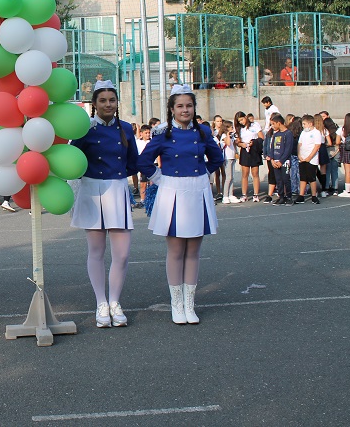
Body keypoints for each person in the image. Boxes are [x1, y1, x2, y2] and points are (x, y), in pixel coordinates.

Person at [137, 85, 224, 325]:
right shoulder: (162, 134)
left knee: (194, 251)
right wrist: (159, 178)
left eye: (189, 105)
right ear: (172, 109)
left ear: (194, 108)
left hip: (197, 191)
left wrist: (203, 173)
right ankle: (176, 304)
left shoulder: (203, 132)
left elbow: (217, 158)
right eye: (180, 106)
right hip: (172, 193)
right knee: (176, 251)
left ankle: (189, 304)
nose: (185, 110)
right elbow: (143, 161)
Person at [70, 81, 138, 328]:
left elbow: (133, 162)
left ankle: (115, 302)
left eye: (112, 100)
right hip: (91, 191)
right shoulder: (84, 130)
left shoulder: (127, 129)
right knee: (96, 252)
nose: (108, 104)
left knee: (122, 254)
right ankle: (101, 303)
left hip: (117, 189)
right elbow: (72, 160)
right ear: (94, 104)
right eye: (103, 100)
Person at [265, 114, 294, 205]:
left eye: (273, 124)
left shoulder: (288, 134)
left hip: (284, 162)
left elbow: (288, 149)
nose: (272, 126)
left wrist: (281, 161)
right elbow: (272, 148)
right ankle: (281, 197)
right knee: (278, 180)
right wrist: (272, 159)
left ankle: (288, 197)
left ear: (279, 123)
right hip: (275, 161)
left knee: (285, 179)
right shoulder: (276, 134)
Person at [234, 111, 263, 202]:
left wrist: (254, 142)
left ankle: (256, 194)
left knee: (255, 173)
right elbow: (237, 141)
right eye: (239, 121)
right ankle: (244, 194)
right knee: (245, 174)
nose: (241, 122)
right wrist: (241, 144)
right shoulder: (239, 129)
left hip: (254, 150)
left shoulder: (255, 125)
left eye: (242, 119)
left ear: (245, 117)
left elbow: (261, 137)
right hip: (245, 151)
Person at [295, 114, 322, 204]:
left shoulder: (316, 132)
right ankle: (301, 195)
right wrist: (299, 154)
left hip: (311, 159)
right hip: (302, 158)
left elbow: (317, 145)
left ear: (310, 124)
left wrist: (309, 157)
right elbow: (300, 143)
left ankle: (314, 195)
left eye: (304, 124)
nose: (303, 126)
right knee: (303, 177)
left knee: (311, 178)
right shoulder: (303, 132)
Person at [219, 120, 239, 203]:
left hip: (232, 157)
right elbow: (228, 143)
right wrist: (228, 134)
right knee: (228, 177)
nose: (232, 128)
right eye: (231, 127)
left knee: (232, 177)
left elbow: (235, 144)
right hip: (227, 158)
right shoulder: (224, 135)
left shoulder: (231, 136)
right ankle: (225, 195)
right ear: (226, 128)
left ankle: (231, 194)